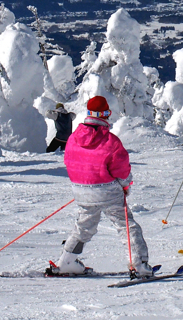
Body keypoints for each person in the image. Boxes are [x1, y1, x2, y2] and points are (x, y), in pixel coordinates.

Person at [50, 96, 154, 276]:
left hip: (81, 190)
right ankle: (139, 265)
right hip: (107, 190)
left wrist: (83, 183)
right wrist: (125, 185)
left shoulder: (73, 138)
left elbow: (69, 162)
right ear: (105, 114)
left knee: (84, 226)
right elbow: (121, 170)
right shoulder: (111, 141)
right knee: (126, 226)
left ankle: (67, 261)